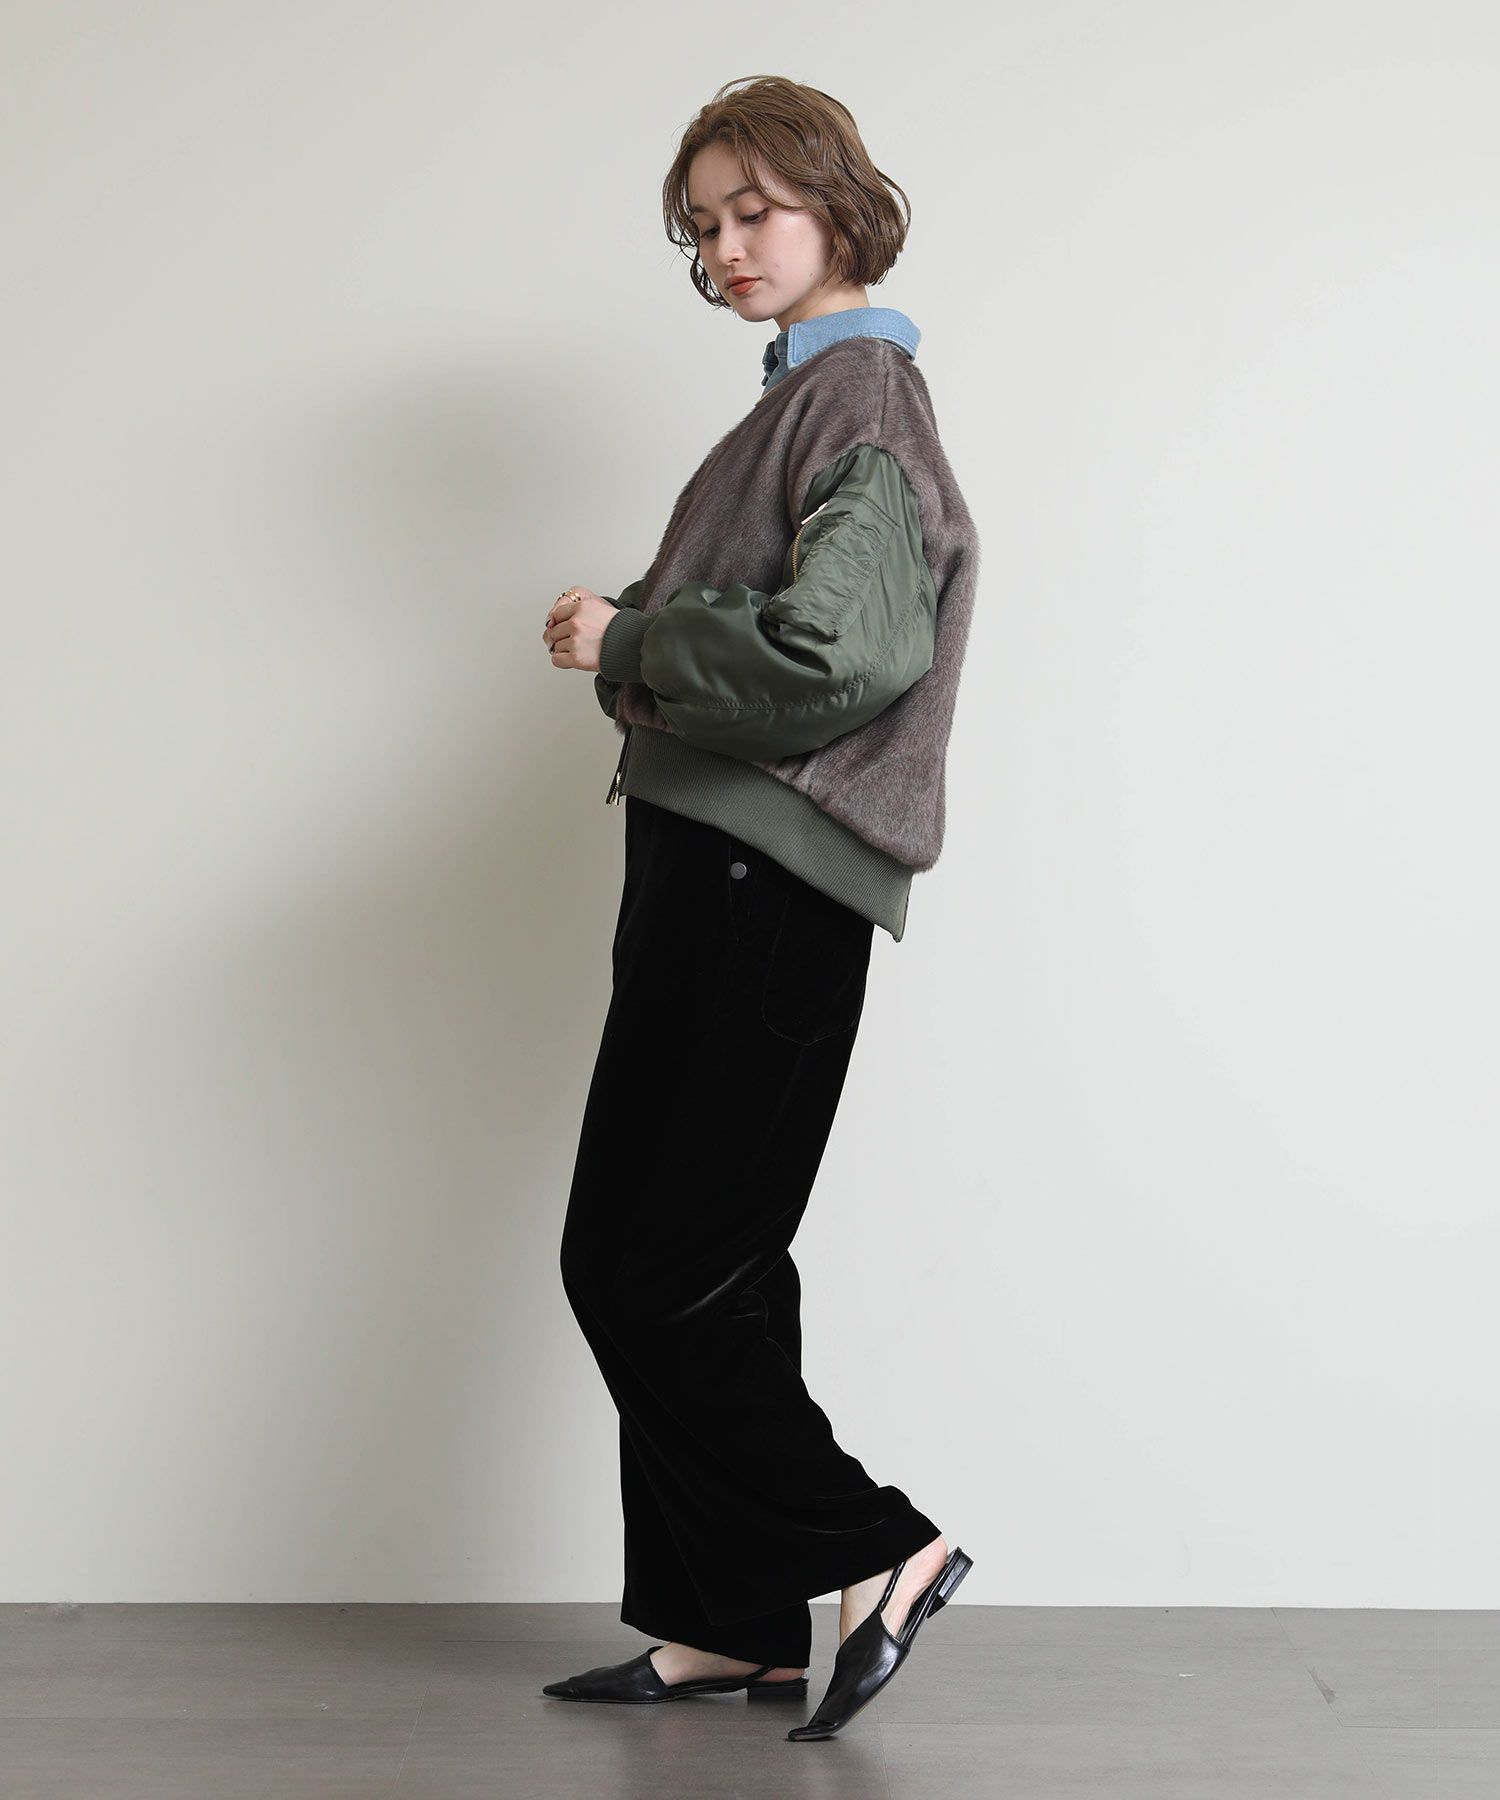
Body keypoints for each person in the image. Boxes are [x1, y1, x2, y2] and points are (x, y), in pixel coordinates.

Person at [539, 75, 980, 1742]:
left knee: (643, 1264)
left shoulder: (858, 396)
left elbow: (842, 653)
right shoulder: (807, 401)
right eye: (705, 225)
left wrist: (637, 641)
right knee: (709, 1265)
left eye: (756, 211)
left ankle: (879, 1546)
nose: (727, 246)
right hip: (722, 867)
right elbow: (788, 620)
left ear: (838, 208)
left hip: (761, 877)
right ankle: (728, 1622)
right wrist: (638, 630)